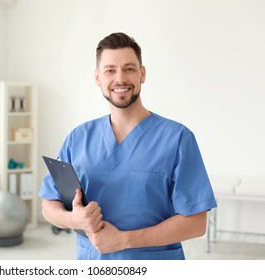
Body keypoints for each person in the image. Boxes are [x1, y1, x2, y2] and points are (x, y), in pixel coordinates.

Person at [39, 32, 217, 260]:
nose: (120, 79)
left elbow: (196, 223)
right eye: (110, 70)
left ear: (142, 74)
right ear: (97, 78)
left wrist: (124, 240)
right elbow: (49, 204)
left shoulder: (178, 138)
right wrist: (74, 219)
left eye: (129, 69)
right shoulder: (78, 138)